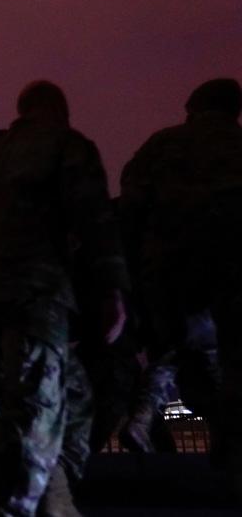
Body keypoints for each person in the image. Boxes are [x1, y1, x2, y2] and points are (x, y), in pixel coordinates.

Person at [0, 81, 129, 516]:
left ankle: (56, 498)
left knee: (58, 393)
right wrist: (112, 287)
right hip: (38, 288)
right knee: (41, 403)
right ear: (58, 111)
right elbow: (94, 217)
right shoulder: (64, 144)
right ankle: (18, 504)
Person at [120, 78, 242, 494]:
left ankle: (141, 416)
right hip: (233, 267)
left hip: (173, 267)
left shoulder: (165, 145)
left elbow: (131, 204)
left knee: (174, 349)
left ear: (193, 107)